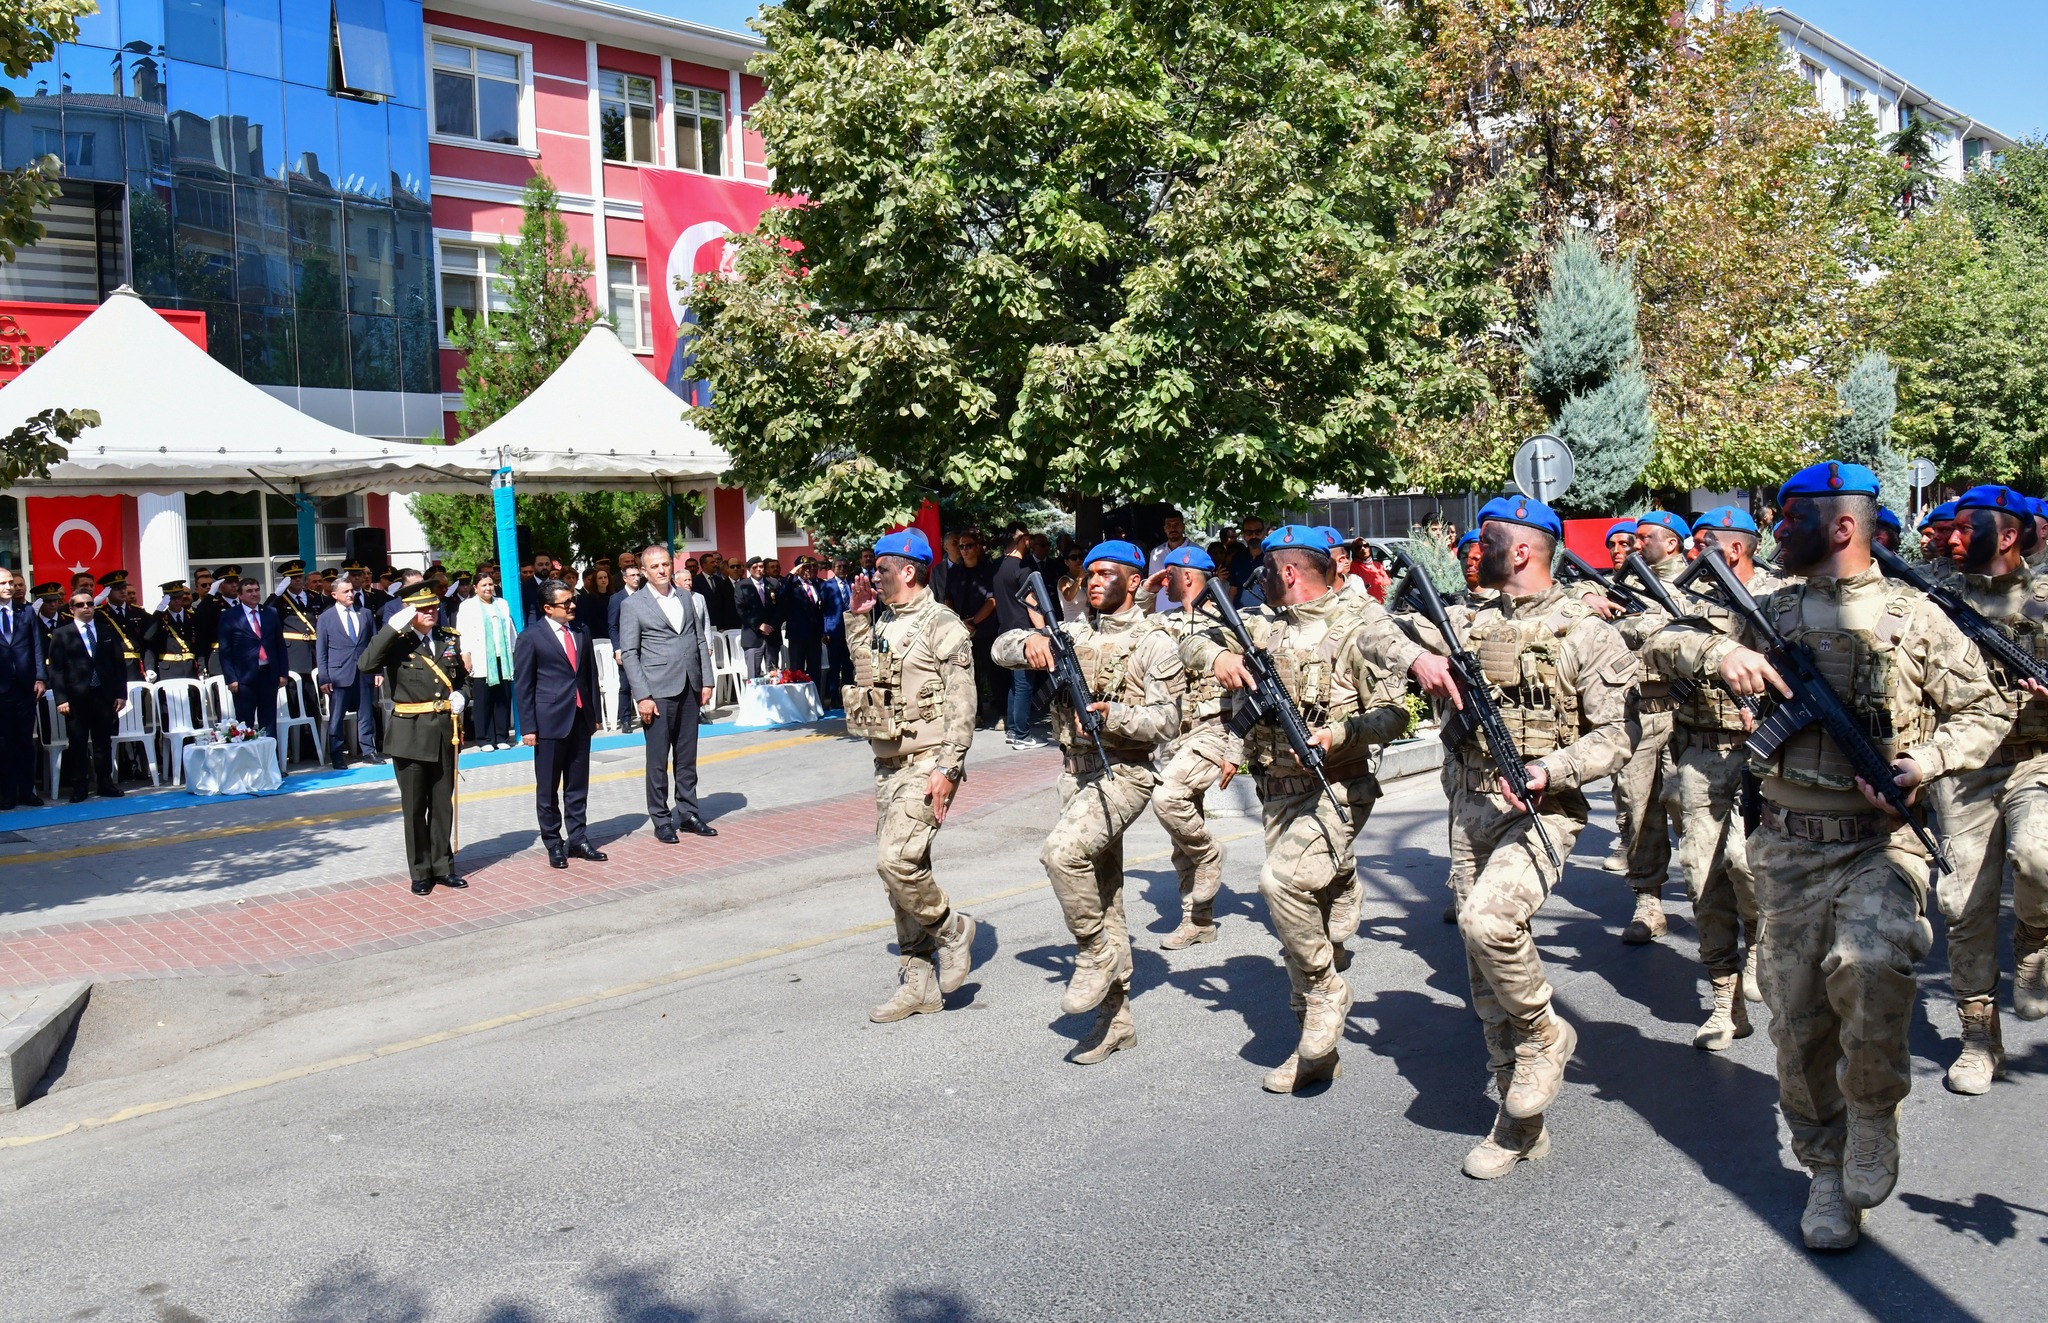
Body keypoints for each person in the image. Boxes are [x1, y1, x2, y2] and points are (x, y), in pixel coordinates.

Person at [1645, 462, 2008, 1249]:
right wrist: (1719, 657)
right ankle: (1824, 1167)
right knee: (1798, 1020)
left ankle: (1873, 1112)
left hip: (1882, 843)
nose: (1775, 528)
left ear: (1841, 526)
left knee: (1872, 963)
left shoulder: (1916, 618)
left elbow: (1986, 707)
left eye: (1789, 518)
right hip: (1784, 846)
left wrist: (1928, 761)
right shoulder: (1765, 609)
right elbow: (1657, 636)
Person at [1395, 496, 1633, 1179]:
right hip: (1470, 804)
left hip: (1543, 809)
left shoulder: (1587, 631)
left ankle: (1544, 1033)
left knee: (1487, 918)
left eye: (1490, 537)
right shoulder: (1466, 620)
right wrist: (1416, 659)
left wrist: (1549, 769)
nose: (1477, 546)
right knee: (1481, 972)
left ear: (1523, 549)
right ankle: (1516, 1119)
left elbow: (1619, 735)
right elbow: (1376, 634)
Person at [1185, 529, 1415, 1091]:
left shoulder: (1356, 627)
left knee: (1280, 883)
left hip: (1337, 789)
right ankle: (1311, 1048)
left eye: (1265, 568)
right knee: (1296, 919)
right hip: (1278, 793)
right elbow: (1188, 641)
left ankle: (1324, 991)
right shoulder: (1260, 626)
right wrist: (1217, 655)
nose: (1254, 577)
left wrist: (1338, 733)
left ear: (1288, 572)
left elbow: (1395, 715)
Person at [992, 540, 1185, 1065]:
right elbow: (998, 646)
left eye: (1105, 574)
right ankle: (1116, 1021)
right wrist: (1032, 643)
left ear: (1132, 578)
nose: (1093, 581)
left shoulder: (1154, 642)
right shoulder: (1071, 634)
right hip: (1074, 778)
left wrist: (1113, 715)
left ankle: (1095, 954)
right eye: (1090, 573)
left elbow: (1168, 722)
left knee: (1061, 854)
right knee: (1105, 896)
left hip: (1124, 772)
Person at [1919, 485, 2048, 1096]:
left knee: (2039, 858)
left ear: (2010, 536)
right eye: (1952, 528)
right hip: (1964, 771)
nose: (1951, 537)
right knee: (1961, 903)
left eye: (1968, 528)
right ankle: (1978, 1036)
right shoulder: (1935, 602)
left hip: (2036, 759)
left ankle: (2033, 938)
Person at [1656, 507, 1782, 1050]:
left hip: (1770, 753)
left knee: (1744, 863)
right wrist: (1717, 650)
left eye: (1703, 542)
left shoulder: (1786, 596)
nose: (1691, 551)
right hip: (1703, 754)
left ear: (1735, 550)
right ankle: (1723, 998)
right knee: (1701, 875)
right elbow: (1657, 642)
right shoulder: (1691, 594)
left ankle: (1758, 941)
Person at [842, 529, 981, 1021]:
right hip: (887, 764)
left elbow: (964, 707)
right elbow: (868, 678)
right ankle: (918, 982)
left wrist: (949, 767)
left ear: (907, 571)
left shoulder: (943, 625)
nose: (873, 577)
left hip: (928, 763)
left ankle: (952, 929)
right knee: (897, 877)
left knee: (895, 861)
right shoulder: (884, 620)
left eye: (880, 569)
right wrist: (857, 620)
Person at [1584, 508, 1688, 937]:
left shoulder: (1700, 584)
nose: (1633, 543)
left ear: (1672, 543)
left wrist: (1626, 622)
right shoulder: (1619, 584)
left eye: (1644, 538)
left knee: (1692, 808)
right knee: (1638, 810)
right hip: (1639, 712)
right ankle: (1649, 901)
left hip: (1688, 714)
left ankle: (1717, 895)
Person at [1145, 546, 1241, 951]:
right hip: (1173, 737)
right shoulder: (1164, 623)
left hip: (1213, 730)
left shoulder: (1226, 624)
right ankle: (1197, 921)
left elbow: (1246, 688)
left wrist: (1235, 748)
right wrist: (1147, 594)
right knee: (1179, 835)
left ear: (1186, 577)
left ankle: (1210, 854)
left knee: (1168, 797)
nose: (1163, 582)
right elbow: (1134, 629)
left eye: (1167, 576)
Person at [362, 584, 470, 895]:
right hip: (409, 734)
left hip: (442, 733)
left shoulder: (447, 639)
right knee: (414, 807)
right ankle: (420, 870)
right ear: (409, 612)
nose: (431, 613)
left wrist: (462, 695)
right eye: (424, 609)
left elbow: (462, 679)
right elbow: (366, 665)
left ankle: (443, 866)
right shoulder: (397, 642)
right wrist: (388, 629)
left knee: (441, 805)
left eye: (434, 607)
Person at [617, 544, 718, 842]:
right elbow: (631, 654)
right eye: (655, 567)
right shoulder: (633, 605)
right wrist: (642, 696)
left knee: (687, 757)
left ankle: (688, 813)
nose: (662, 571)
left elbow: (700, 640)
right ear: (644, 572)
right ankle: (661, 818)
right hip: (657, 690)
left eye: (665, 565)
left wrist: (707, 680)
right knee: (658, 759)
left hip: (689, 685)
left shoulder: (686, 597)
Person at [517, 579, 606, 869]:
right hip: (549, 721)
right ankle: (553, 843)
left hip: (580, 718)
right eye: (565, 603)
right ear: (547, 608)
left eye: (572, 600)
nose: (572, 606)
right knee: (548, 788)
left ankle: (578, 838)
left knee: (577, 784)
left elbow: (589, 675)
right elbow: (524, 685)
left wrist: (595, 715)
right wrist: (528, 727)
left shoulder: (582, 631)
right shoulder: (531, 637)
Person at [47, 587, 130, 802]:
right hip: (76, 697)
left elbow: (119, 666)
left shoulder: (106, 631)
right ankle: (79, 787)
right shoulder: (62, 634)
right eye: (81, 605)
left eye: (90, 604)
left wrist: (121, 694)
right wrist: (62, 699)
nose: (86, 608)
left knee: (103, 741)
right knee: (78, 743)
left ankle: (105, 783)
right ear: (71, 608)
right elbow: (56, 669)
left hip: (103, 695)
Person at [315, 574, 382, 769]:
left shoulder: (365, 613)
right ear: (334, 594)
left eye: (352, 590)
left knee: (366, 714)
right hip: (339, 675)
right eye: (346, 591)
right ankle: (337, 755)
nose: (351, 594)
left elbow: (374, 644)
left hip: (364, 671)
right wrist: (324, 677)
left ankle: (369, 751)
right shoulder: (326, 617)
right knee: (337, 717)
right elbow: (322, 650)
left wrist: (377, 671)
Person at [988, 525, 1042, 746]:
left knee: (1015, 683)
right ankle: (1021, 735)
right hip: (1023, 633)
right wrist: (1043, 631)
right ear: (1022, 540)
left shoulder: (997, 567)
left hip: (1005, 631)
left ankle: (1013, 731)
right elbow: (1031, 602)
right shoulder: (1023, 567)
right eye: (1027, 538)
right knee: (1024, 685)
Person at [216, 576, 287, 740]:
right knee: (245, 723)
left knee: (268, 721)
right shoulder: (230, 616)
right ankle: (248, 762)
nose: (254, 594)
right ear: (240, 595)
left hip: (268, 674)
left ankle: (269, 761)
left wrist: (283, 672)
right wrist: (231, 678)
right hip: (244, 678)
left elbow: (280, 645)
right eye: (249, 591)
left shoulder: (270, 612)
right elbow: (225, 650)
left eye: (256, 590)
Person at [943, 531, 1000, 726]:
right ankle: (976, 713)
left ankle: (1002, 712)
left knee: (993, 671)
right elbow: (947, 599)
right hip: (961, 629)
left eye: (969, 546)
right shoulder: (954, 572)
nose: (965, 550)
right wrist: (959, 622)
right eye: (961, 546)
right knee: (967, 672)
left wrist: (974, 622)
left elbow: (992, 600)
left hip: (984, 627)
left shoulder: (988, 570)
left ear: (977, 547)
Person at [455, 571, 517, 750]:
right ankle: (484, 739)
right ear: (475, 588)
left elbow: (510, 630)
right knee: (484, 700)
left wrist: (514, 652)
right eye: (484, 585)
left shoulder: (502, 604)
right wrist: (465, 655)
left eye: (490, 584)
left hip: (502, 658)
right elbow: (463, 631)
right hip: (481, 658)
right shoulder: (467, 606)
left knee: (503, 698)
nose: (488, 588)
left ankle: (502, 736)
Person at [0, 567, 45, 809]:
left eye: (11, 582)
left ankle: (27, 791)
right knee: (3, 743)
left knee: (25, 742)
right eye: (4, 583)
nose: (9, 587)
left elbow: (37, 645)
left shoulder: (26, 611)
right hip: (1, 689)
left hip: (25, 688)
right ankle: (7, 793)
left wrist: (40, 678)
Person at [268, 560, 326, 684]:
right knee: (294, 690)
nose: (297, 580)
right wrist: (276, 594)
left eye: (299, 576)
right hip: (293, 652)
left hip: (314, 649)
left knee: (314, 690)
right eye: (293, 577)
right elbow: (265, 613)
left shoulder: (314, 597)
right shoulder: (279, 599)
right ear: (286, 580)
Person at [781, 556, 826, 690]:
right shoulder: (791, 584)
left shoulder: (815, 584)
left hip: (814, 635)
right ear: (798, 569)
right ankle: (798, 702)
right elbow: (782, 592)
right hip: (797, 635)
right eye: (805, 567)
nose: (809, 570)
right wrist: (791, 573)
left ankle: (815, 701)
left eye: (810, 566)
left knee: (815, 670)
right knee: (797, 670)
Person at [96, 571, 149, 684]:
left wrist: (149, 667)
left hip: (135, 668)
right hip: (112, 667)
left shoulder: (138, 612)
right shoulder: (98, 614)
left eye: (124, 587)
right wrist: (95, 601)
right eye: (116, 588)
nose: (122, 591)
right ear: (107, 592)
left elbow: (147, 642)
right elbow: (76, 619)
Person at [735, 557, 781, 678]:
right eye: (755, 567)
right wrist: (759, 625)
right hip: (753, 637)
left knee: (773, 674)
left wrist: (772, 625)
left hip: (772, 635)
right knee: (753, 676)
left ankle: (773, 697)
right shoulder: (742, 585)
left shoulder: (773, 583)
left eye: (761, 566)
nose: (759, 569)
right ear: (749, 569)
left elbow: (780, 607)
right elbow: (741, 610)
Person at [816, 558, 852, 704]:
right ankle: (835, 699)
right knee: (835, 667)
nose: (842, 568)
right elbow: (822, 610)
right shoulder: (826, 585)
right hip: (833, 631)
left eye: (845, 566)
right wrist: (824, 632)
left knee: (849, 666)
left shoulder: (852, 583)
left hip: (851, 632)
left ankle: (849, 699)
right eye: (839, 566)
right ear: (833, 568)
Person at [1146, 508, 1191, 613]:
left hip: (1187, 614)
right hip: (1161, 614)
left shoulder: (1196, 551)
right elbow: (1153, 588)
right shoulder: (1156, 553)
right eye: (1169, 525)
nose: (1173, 528)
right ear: (1164, 528)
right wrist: (1151, 614)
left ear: (1183, 527)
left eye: (1176, 524)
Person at [575, 565, 615, 644]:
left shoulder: (614, 596)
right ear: (595, 580)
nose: (603, 580)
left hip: (612, 633)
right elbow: (589, 619)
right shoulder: (589, 598)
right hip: (597, 635)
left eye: (605, 577)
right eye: (600, 578)